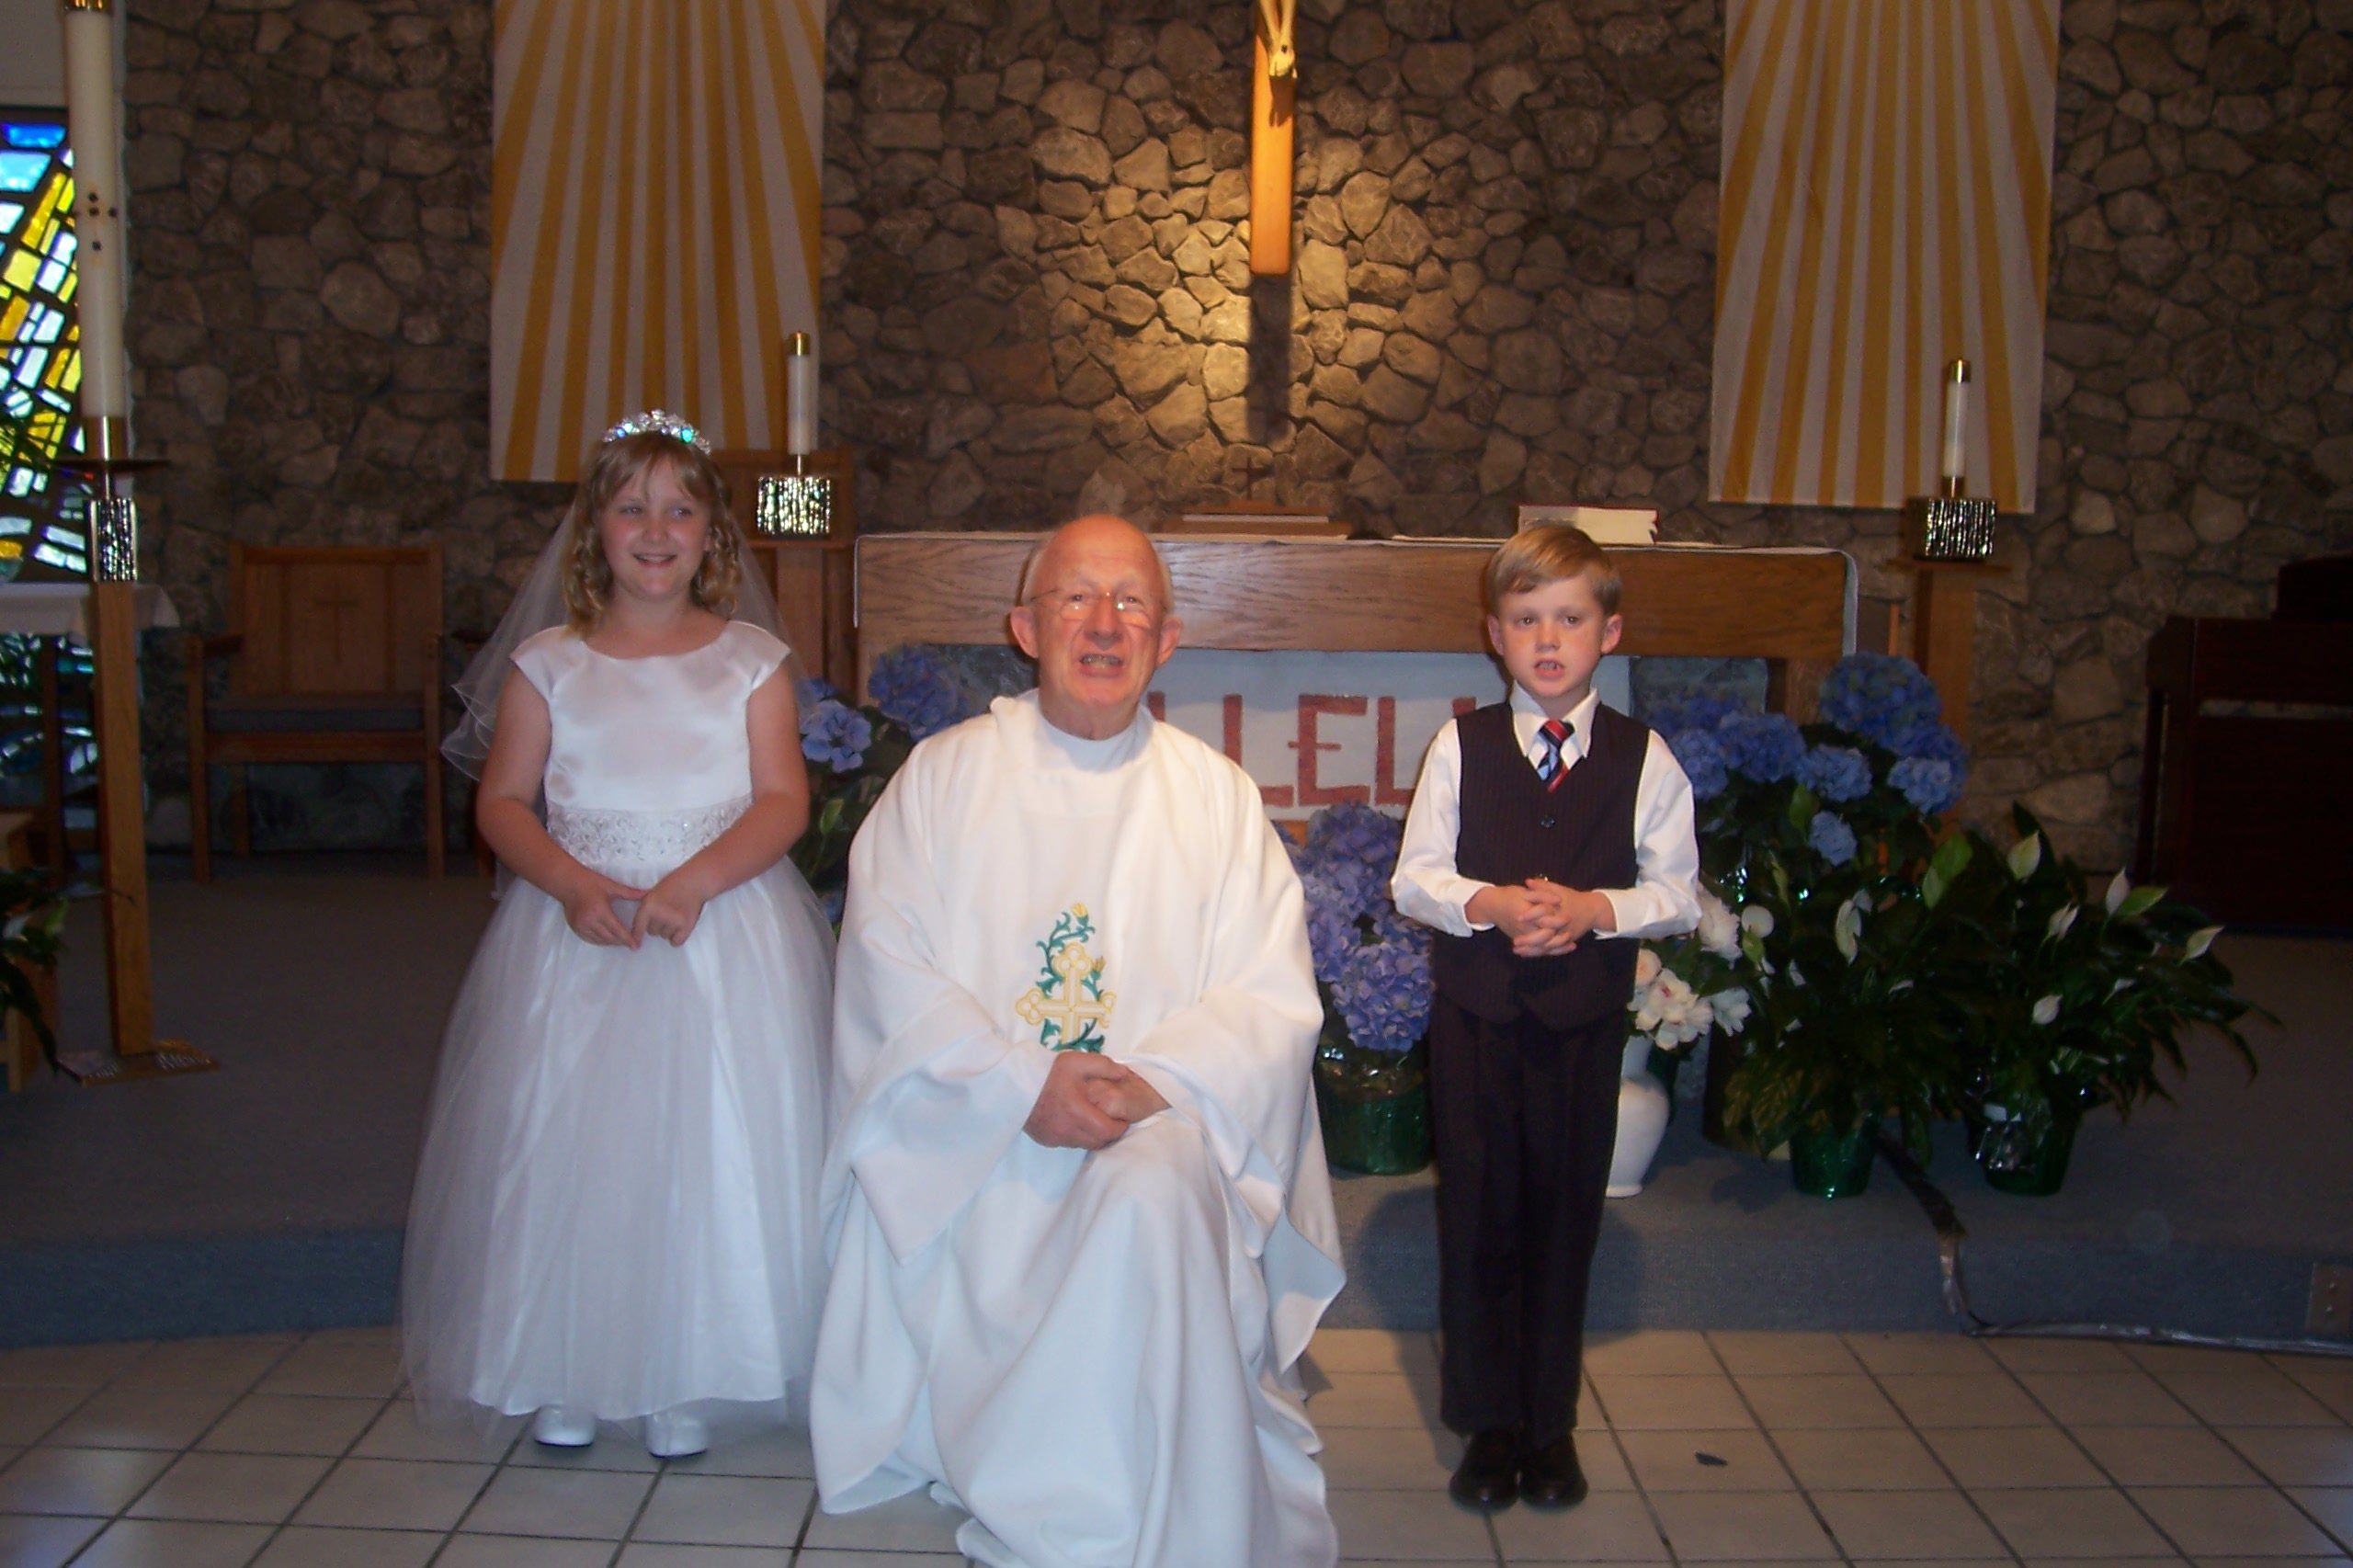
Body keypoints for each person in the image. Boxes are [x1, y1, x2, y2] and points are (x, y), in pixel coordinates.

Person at [812, 516, 1344, 1568]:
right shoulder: (942, 781)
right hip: (978, 1140)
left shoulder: (1216, 797)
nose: (1103, 624)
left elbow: (1268, 995)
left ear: (1167, 638)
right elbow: (885, 965)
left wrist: (1146, 1084)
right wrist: (1019, 1084)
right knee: (1114, 1191)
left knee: (1152, 1190)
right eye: (1074, 598)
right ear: (1025, 626)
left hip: (1159, 1123)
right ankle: (1078, 1496)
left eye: (1130, 602)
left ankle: (1151, 1516)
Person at [402, 412, 833, 1460]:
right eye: (632, 507)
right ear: (594, 526)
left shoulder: (750, 661)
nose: (655, 530)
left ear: (712, 533)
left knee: (712, 1144)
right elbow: (504, 802)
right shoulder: (549, 664)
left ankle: (692, 1366)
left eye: (679, 510)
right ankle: (567, 1364)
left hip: (717, 930)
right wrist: (565, 881)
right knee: (572, 1148)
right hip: (580, 936)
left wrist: (696, 878)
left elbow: (784, 800)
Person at [1392, 525, 1700, 1510]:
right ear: (1495, 635)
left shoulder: (1645, 758)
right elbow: (1416, 878)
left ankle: (1548, 1424)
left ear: (1610, 632)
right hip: (1477, 1022)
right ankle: (1488, 1424)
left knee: (1564, 1217)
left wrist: (1594, 909)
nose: (1549, 638)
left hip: (1579, 1026)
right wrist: (1487, 901)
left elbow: (1677, 894)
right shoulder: (1461, 746)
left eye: (1570, 618)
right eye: (1526, 620)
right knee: (1481, 1212)